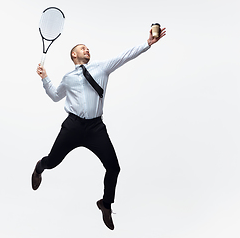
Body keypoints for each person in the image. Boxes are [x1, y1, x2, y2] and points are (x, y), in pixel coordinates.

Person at [32, 27, 166, 230]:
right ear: (73, 55)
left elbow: (125, 56)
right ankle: (40, 167)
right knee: (53, 162)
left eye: (88, 48)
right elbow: (55, 96)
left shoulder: (102, 67)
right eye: (82, 48)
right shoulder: (68, 78)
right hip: (73, 126)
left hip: (95, 128)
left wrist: (147, 44)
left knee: (114, 167)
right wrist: (45, 78)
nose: (87, 50)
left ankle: (105, 204)